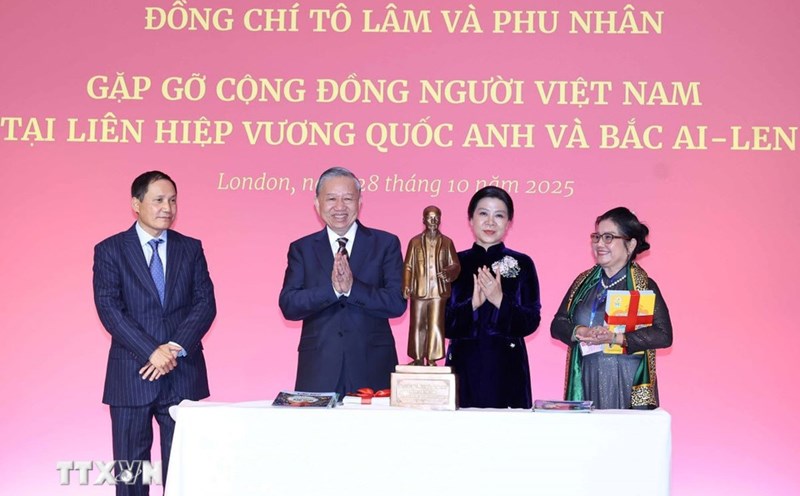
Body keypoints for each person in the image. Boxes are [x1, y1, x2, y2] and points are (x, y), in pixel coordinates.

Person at [93, 171, 216, 495]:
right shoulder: (110, 250)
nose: (168, 208)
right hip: (132, 373)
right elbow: (109, 309)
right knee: (132, 473)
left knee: (183, 468)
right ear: (136, 204)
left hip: (182, 373)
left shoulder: (191, 248)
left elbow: (205, 304)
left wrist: (173, 348)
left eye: (173, 200)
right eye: (159, 200)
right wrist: (152, 350)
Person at [279, 167, 406, 398]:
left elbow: (397, 303)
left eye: (348, 198)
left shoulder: (385, 243)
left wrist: (352, 288)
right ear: (317, 204)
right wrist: (332, 290)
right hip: (318, 368)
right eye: (331, 199)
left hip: (372, 367)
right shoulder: (302, 249)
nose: (340, 207)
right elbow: (289, 305)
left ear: (360, 202)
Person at [550, 207, 673, 409]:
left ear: (630, 244)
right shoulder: (583, 284)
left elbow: (663, 335)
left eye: (608, 237)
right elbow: (557, 325)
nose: (599, 244)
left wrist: (615, 338)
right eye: (597, 237)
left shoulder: (644, 286)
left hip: (629, 379)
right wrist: (581, 331)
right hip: (588, 376)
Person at [445, 187, 541, 408]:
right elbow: (442, 324)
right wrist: (472, 305)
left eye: (499, 215)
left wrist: (500, 301)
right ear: (470, 219)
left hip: (508, 369)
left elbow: (531, 320)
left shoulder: (523, 263)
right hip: (464, 365)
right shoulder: (453, 264)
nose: (490, 222)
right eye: (483, 214)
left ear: (508, 223)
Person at [402, 206, 460, 366]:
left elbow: (455, 264)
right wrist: (406, 284)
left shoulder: (447, 242)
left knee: (436, 324)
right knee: (417, 324)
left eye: (436, 217)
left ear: (440, 220)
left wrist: (448, 272)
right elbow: (408, 266)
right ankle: (418, 358)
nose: (433, 221)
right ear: (423, 220)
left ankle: (433, 358)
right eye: (430, 217)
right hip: (419, 290)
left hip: (438, 292)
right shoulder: (414, 242)